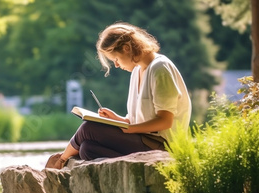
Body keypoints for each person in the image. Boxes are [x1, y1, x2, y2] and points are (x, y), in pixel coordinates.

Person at [45, 22, 191, 169]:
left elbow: (165, 121)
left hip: (162, 147)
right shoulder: (137, 71)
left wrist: (130, 128)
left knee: (88, 128)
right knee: (87, 149)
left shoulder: (160, 68)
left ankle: (60, 161)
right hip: (144, 140)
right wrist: (117, 119)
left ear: (127, 49)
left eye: (115, 59)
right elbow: (138, 121)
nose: (116, 65)